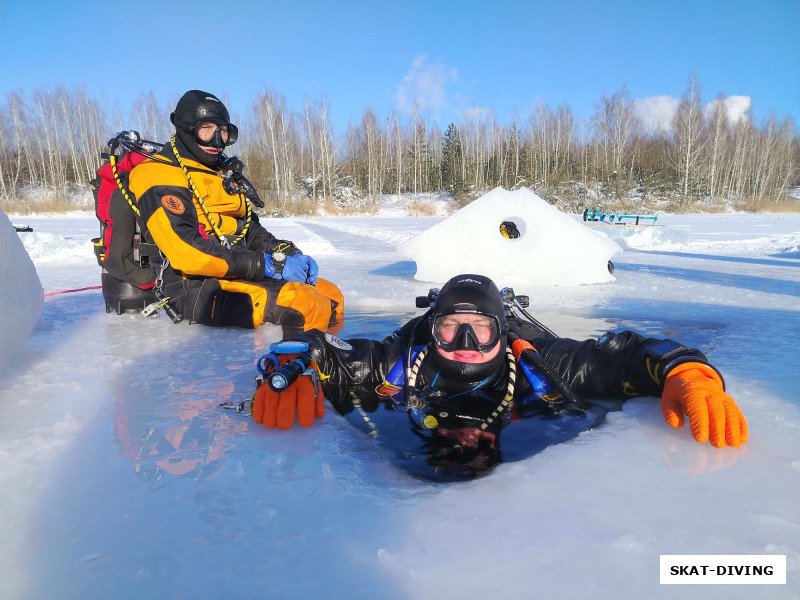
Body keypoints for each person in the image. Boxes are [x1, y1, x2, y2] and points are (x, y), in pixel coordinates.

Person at [249, 274, 747, 477]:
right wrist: (286, 365)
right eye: (451, 328)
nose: (465, 345)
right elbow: (324, 351)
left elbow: (627, 353)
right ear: (432, 329)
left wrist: (689, 371)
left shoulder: (544, 361)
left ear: (502, 332)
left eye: (480, 329)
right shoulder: (398, 357)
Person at [128, 90, 343, 333]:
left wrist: (289, 255)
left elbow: (251, 232)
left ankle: (330, 363)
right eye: (206, 129)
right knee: (306, 304)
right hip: (191, 286)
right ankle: (295, 368)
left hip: (237, 269)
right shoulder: (159, 173)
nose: (217, 141)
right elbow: (186, 252)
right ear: (186, 127)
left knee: (331, 296)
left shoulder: (219, 174)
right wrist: (266, 265)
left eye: (223, 132)